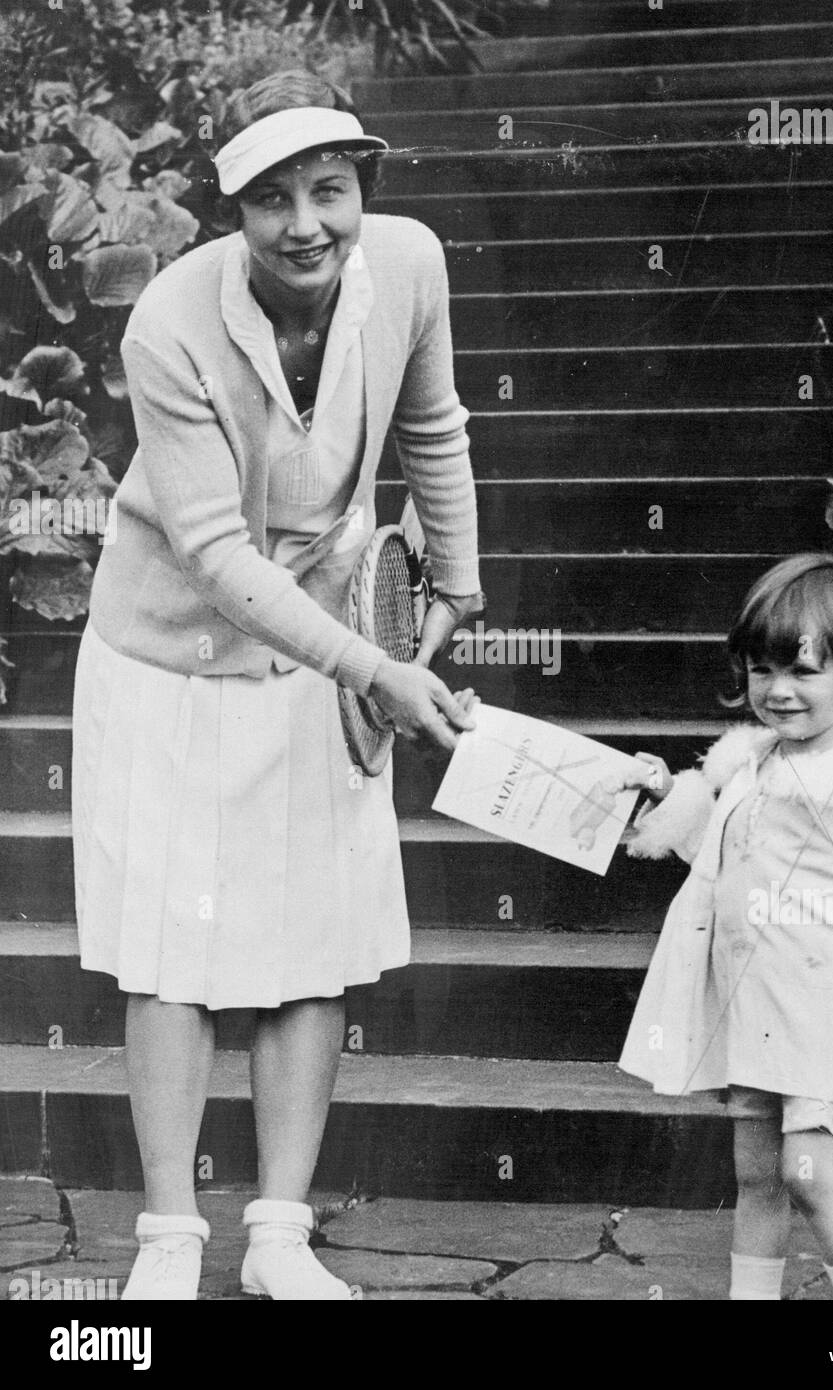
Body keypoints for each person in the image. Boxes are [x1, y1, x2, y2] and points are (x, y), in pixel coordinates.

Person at [71, 70, 484, 1300]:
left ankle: (279, 1238)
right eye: (271, 199)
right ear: (231, 208)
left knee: (314, 946)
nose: (306, 224)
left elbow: (437, 428)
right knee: (171, 959)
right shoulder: (168, 321)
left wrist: (449, 603)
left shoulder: (410, 265)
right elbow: (215, 553)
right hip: (169, 659)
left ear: (366, 190)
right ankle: (167, 1241)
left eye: (331, 190)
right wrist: (375, 668)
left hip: (329, 643)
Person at [618, 552, 833, 1301]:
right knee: (756, 1176)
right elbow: (714, 849)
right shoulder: (750, 763)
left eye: (804, 672)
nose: (778, 692)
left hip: (826, 1008)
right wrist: (662, 792)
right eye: (763, 671)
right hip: (754, 1003)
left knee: (810, 1174)